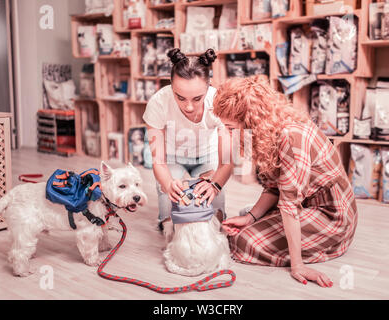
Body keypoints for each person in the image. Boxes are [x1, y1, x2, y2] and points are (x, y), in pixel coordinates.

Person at [213, 75, 358, 288]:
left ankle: (320, 245)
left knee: (242, 242)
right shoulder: (273, 129)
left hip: (332, 216)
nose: (229, 133)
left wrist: (297, 265)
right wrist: (251, 217)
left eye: (232, 128)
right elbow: (274, 187)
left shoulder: (291, 136)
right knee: (244, 219)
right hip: (306, 205)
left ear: (252, 120)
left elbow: (289, 205)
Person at [143, 48, 233, 233]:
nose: (189, 107)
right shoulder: (158, 103)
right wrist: (168, 184)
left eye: (197, 98)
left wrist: (214, 184)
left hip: (207, 155)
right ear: (171, 85)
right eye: (180, 97)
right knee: (169, 224)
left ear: (208, 87)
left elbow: (227, 161)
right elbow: (158, 161)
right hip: (172, 157)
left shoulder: (218, 102)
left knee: (216, 221)